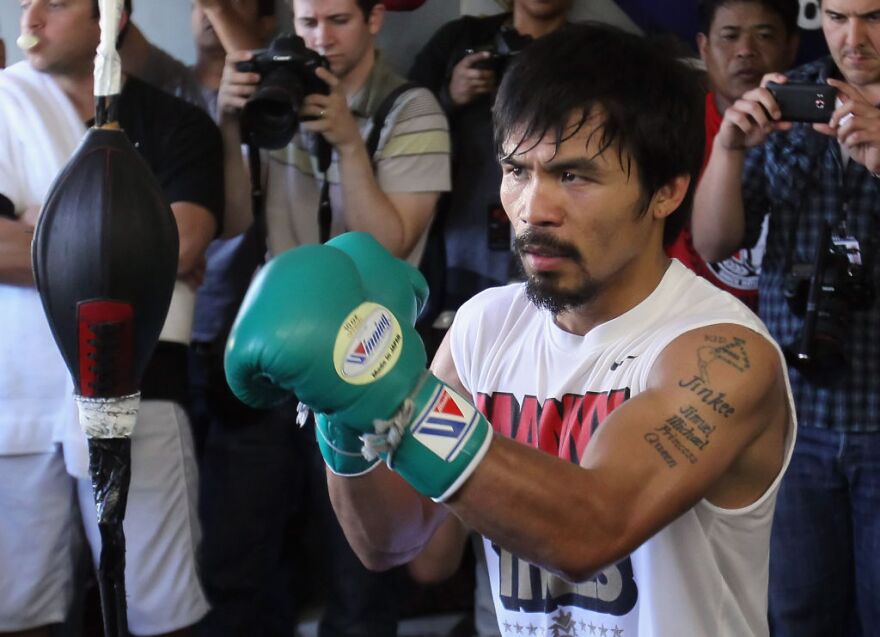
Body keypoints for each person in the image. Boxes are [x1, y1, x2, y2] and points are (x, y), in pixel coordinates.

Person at [225, 23, 797, 636]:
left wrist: (394, 395)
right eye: (518, 171)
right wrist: (344, 404)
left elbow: (592, 527)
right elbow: (394, 539)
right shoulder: (486, 324)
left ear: (666, 191)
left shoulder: (722, 353)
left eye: (574, 176)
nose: (533, 208)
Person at [218, 1, 451, 635]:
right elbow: (234, 222)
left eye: (340, 20)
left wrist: (349, 142)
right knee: (254, 552)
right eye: (308, 22)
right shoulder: (275, 91)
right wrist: (229, 124)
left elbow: (393, 244)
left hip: (366, 356)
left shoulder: (413, 109)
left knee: (361, 572)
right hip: (275, 348)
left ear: (376, 17)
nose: (322, 39)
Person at [0, 1, 223, 635]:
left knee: (157, 607)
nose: (33, 15)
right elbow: (143, 256)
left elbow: (181, 243)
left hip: (143, 387)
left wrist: (40, 225)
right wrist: (118, 241)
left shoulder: (175, 123)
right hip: (14, 395)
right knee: (17, 607)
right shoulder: (3, 108)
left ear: (111, 17)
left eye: (58, 1)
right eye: (26, 1)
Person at [692, 0, 880, 634]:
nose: (852, 37)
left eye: (874, 17)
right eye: (835, 16)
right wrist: (729, 149)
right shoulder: (795, 97)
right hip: (792, 415)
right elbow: (713, 243)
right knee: (796, 614)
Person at [408, 0, 572, 330]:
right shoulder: (461, 37)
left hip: (549, 216)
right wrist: (449, 96)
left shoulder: (590, 53)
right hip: (456, 223)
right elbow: (404, 119)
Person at [666, 0, 800, 311]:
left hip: (784, 329)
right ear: (703, 47)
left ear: (792, 46)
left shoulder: (818, 132)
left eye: (764, 35)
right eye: (730, 36)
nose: (746, 50)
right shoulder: (671, 126)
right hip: (683, 318)